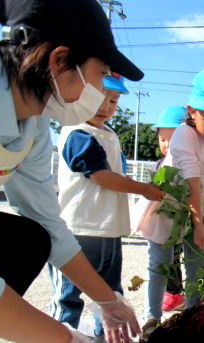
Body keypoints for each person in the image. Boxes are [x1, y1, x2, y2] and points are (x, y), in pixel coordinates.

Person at [0, 1, 155, 342]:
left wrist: (106, 299)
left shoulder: (33, 126)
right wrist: (65, 338)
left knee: (30, 238)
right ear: (60, 60)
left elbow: (46, 221)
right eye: (101, 75)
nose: (103, 92)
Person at [49, 72, 164, 342]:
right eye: (100, 99)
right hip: (79, 229)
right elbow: (101, 176)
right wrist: (144, 189)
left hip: (109, 230)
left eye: (113, 101)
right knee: (69, 296)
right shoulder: (78, 132)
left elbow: (116, 174)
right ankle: (61, 335)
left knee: (110, 294)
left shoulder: (108, 134)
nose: (106, 107)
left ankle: (105, 338)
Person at [137, 67, 204, 335]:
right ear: (191, 112)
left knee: (198, 267)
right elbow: (191, 182)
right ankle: (152, 318)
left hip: (200, 213)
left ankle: (196, 317)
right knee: (159, 263)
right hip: (168, 210)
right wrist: (199, 223)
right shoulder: (185, 136)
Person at [133, 105, 188, 312]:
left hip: (181, 222)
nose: (166, 145)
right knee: (162, 261)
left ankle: (177, 294)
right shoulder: (159, 165)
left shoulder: (190, 163)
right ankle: (168, 298)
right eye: (162, 140)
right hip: (161, 222)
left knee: (180, 257)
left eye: (172, 139)